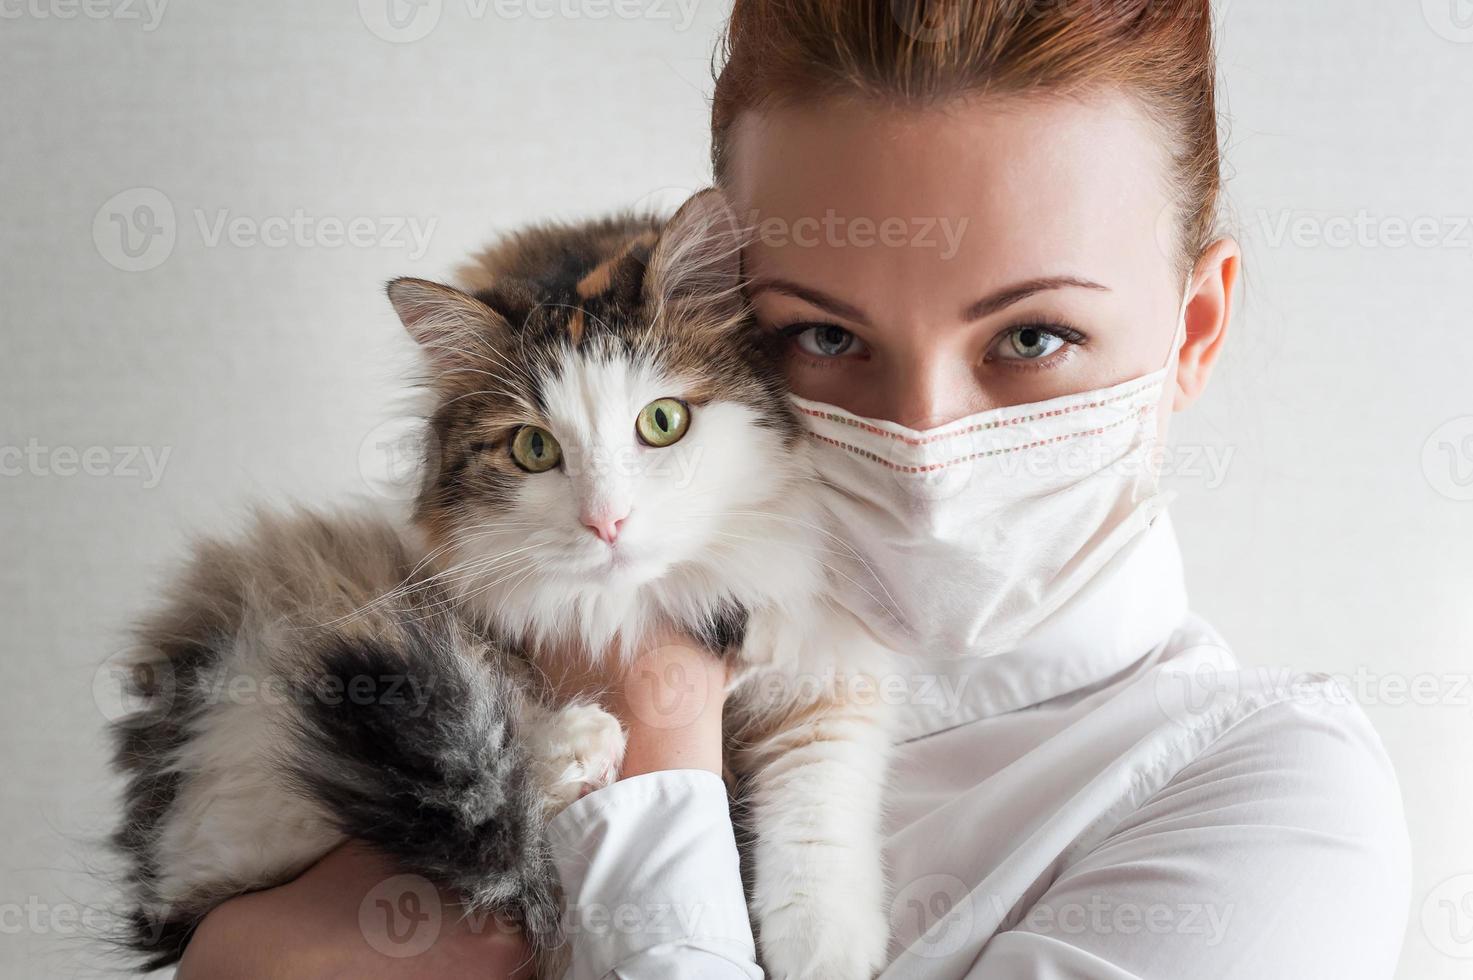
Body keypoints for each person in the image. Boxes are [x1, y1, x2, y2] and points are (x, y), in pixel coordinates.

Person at [178, 1, 1411, 977]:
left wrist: (654, 735)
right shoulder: (444, 647)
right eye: (826, 336)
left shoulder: (1280, 811)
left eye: (1032, 337)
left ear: (1194, 327)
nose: (925, 438)